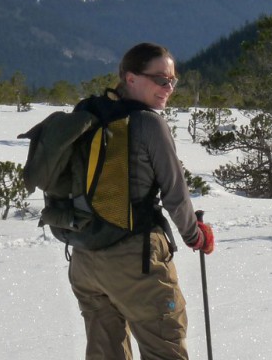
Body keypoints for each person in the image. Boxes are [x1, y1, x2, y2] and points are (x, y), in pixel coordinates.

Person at [68, 42, 215, 360]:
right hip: (135, 257)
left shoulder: (86, 111)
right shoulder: (149, 123)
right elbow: (175, 194)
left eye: (173, 80)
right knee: (165, 347)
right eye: (161, 79)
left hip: (84, 258)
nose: (169, 87)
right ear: (130, 78)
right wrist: (195, 235)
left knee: (105, 352)